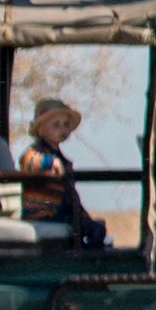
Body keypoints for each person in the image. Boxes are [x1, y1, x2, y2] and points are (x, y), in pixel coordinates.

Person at [19, 97, 108, 247]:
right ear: (41, 129)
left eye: (66, 125)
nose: (63, 129)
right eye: (56, 125)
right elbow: (28, 161)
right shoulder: (36, 153)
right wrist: (49, 162)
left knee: (96, 229)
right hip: (43, 214)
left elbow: (70, 195)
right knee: (91, 231)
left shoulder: (62, 160)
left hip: (62, 212)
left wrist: (83, 216)